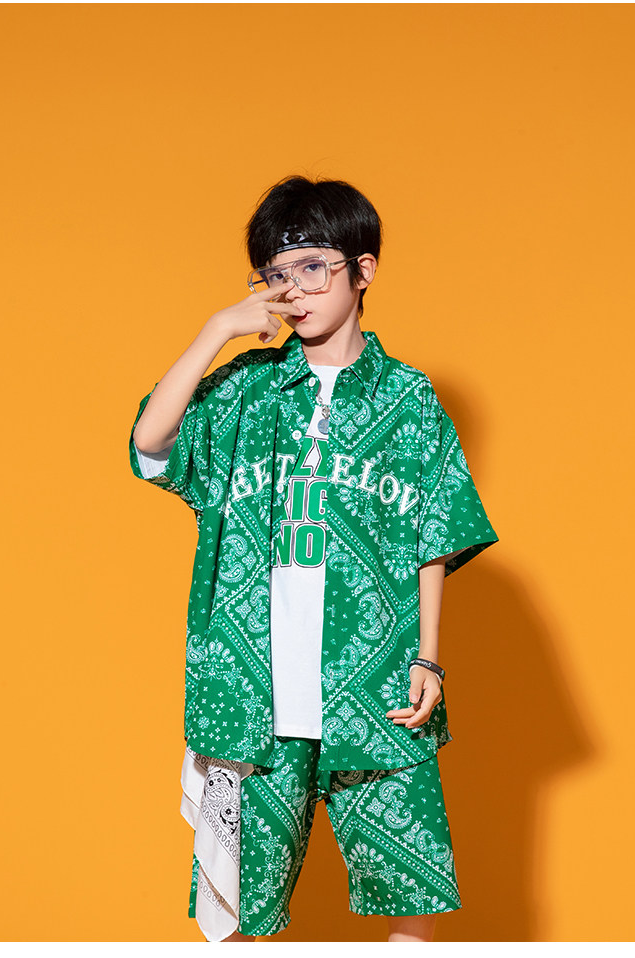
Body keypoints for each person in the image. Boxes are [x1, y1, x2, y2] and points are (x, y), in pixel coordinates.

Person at [128, 175, 499, 942]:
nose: (293, 290)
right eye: (275, 274)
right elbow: (151, 441)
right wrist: (216, 330)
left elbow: (433, 533)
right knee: (243, 909)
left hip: (376, 682)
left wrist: (429, 659)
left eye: (313, 267)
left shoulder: (408, 398)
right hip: (255, 690)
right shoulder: (246, 391)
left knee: (412, 893)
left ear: (363, 270)